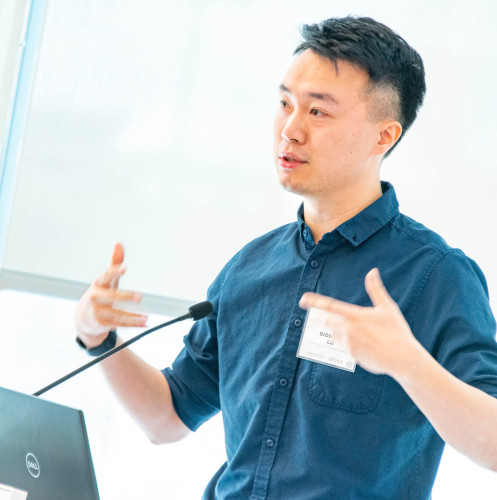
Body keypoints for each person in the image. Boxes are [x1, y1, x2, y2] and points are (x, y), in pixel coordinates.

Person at [75, 16, 497, 499]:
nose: (290, 130)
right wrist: (99, 338)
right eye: (284, 104)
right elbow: (168, 418)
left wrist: (408, 364)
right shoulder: (249, 267)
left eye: (318, 112)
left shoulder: (437, 274)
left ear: (384, 136)